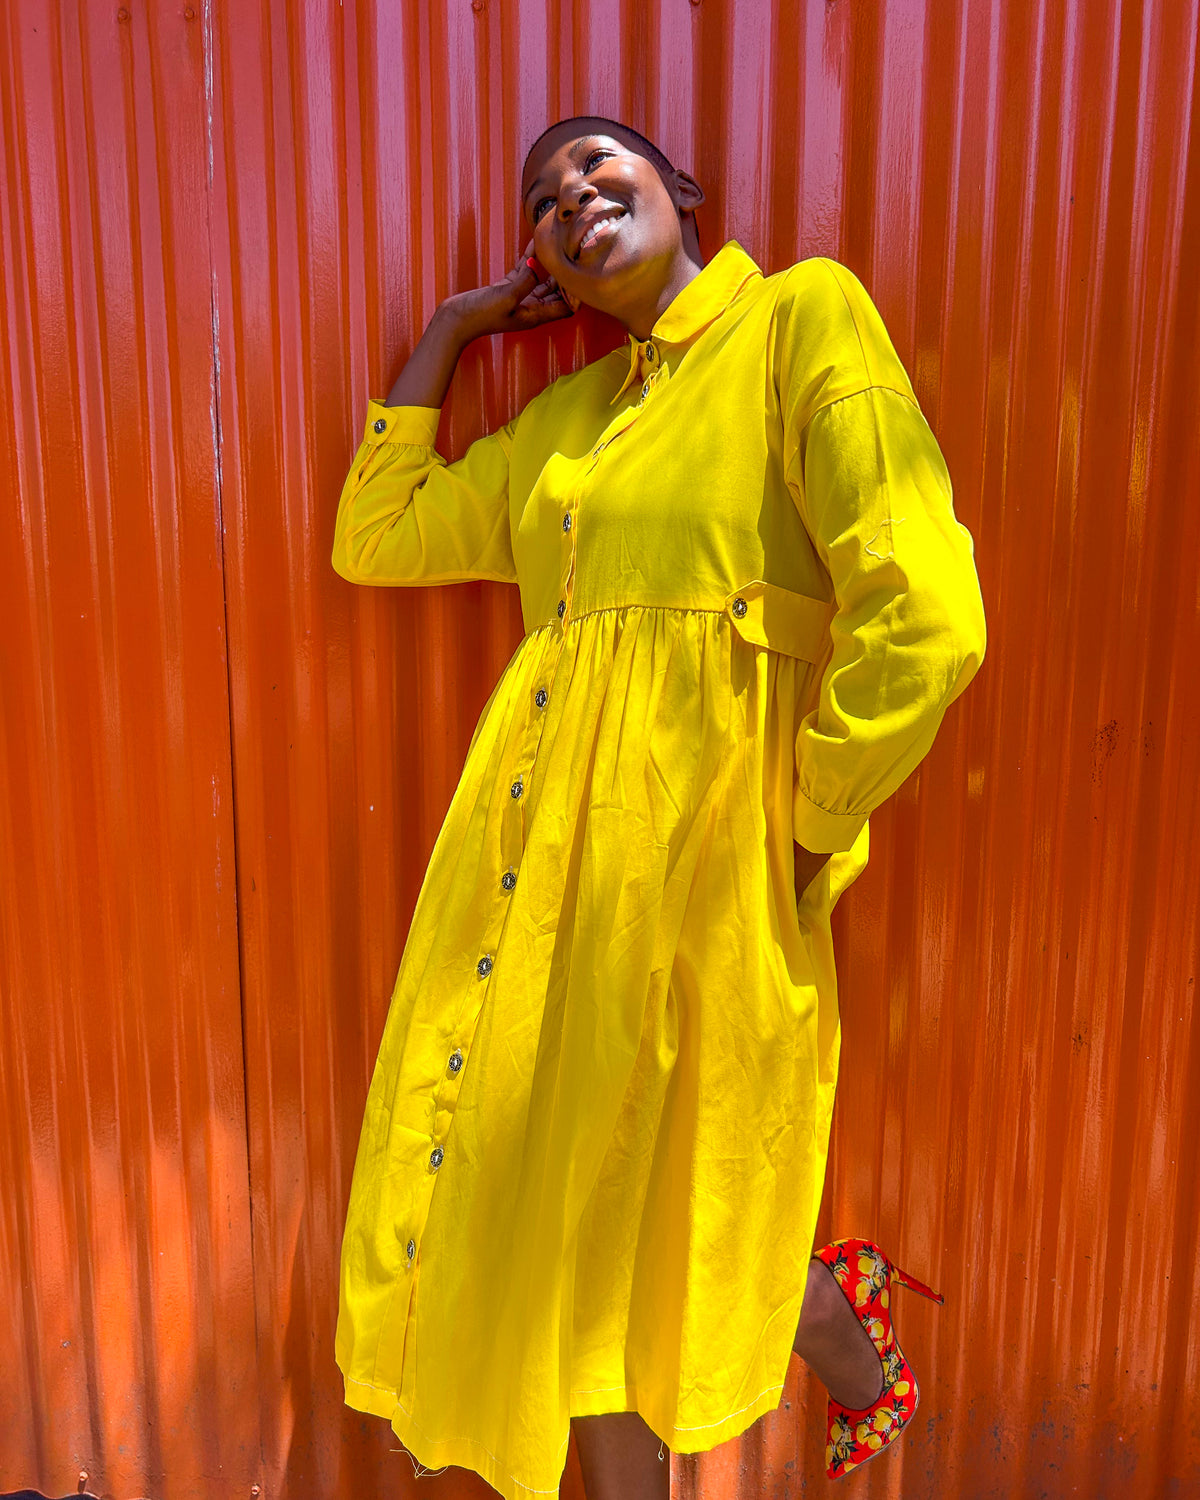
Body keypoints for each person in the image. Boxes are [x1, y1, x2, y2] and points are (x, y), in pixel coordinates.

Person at [330, 114, 986, 1500]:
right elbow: (375, 537)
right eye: (542, 198)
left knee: (651, 1197)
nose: (571, 194)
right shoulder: (562, 428)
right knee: (573, 1227)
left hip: (708, 862)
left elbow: (924, 612)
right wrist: (450, 332)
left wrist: (806, 822)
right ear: (545, 271)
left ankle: (821, 1309)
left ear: (678, 190)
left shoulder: (802, 319)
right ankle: (824, 1300)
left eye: (597, 164)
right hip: (532, 881)